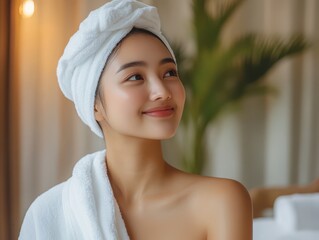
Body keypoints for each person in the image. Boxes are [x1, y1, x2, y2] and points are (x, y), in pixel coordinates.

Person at [19, 0, 252, 239]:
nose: (162, 90)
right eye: (135, 77)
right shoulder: (50, 213)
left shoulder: (222, 201)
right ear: (95, 105)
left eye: (170, 72)